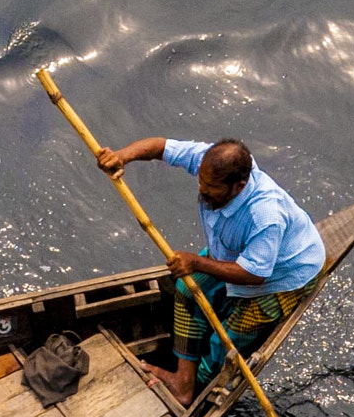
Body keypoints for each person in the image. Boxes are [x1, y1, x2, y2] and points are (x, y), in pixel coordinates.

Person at [94, 136, 325, 402]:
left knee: (227, 338)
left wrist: (196, 262)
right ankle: (184, 381)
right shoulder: (210, 164)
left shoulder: (265, 215)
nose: (202, 189)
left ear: (239, 186)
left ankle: (196, 388)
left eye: (211, 187)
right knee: (186, 290)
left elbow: (255, 275)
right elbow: (161, 147)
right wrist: (122, 156)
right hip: (232, 254)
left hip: (282, 277)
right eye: (201, 180)